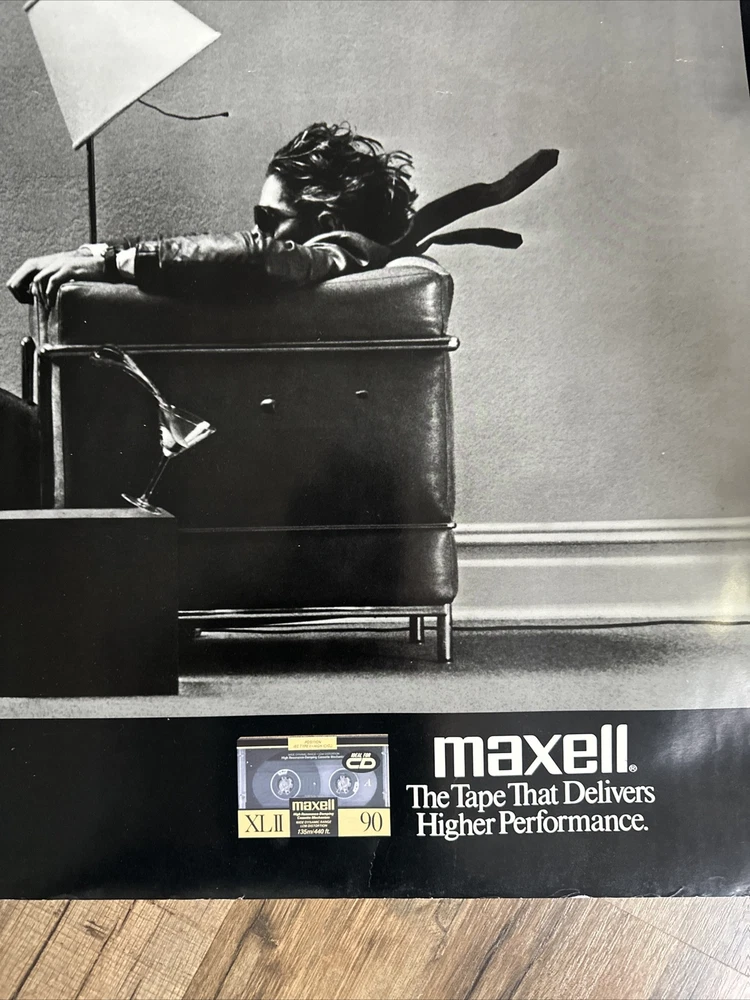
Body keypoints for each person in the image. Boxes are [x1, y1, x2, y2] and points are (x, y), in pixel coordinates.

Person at [7, 121, 418, 309]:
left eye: (269, 220)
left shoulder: (341, 251)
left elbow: (254, 254)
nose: (256, 231)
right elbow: (221, 248)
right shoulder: (343, 258)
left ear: (327, 224)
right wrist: (94, 255)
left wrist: (108, 266)